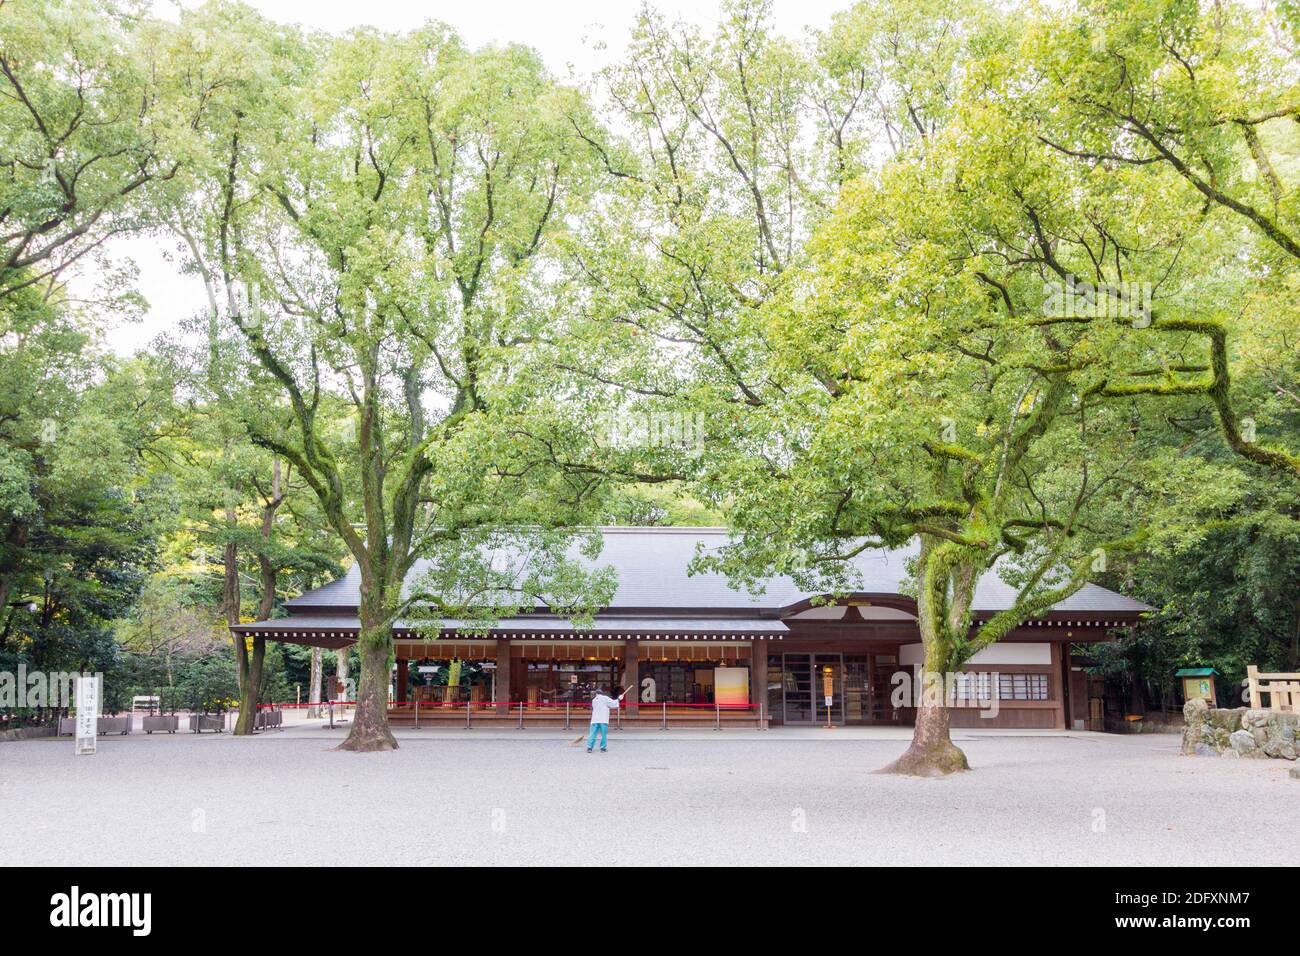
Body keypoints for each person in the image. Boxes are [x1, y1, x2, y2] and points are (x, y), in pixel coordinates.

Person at [586, 686, 626, 753]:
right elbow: (613, 704)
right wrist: (619, 698)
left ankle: (589, 747)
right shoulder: (605, 698)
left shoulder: (594, 700)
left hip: (595, 720)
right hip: (603, 720)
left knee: (592, 734)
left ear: (597, 693)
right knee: (603, 735)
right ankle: (602, 748)